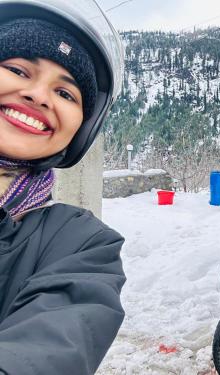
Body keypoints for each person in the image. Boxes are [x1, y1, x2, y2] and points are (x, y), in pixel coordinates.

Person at [0, 1, 126, 373]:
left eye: (66, 94)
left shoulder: (82, 244)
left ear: (82, 131)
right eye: (18, 69)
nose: (39, 96)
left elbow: (48, 351)